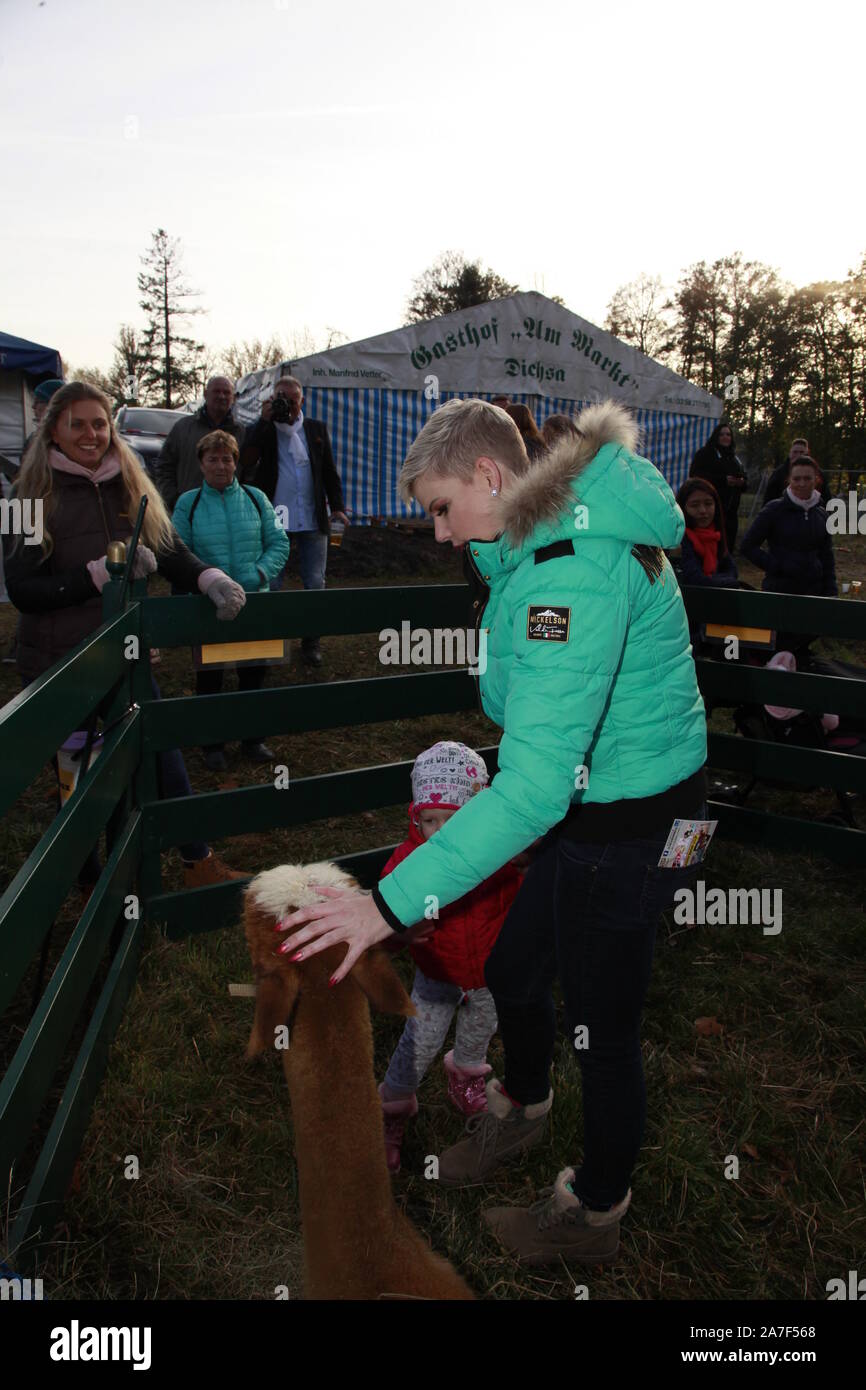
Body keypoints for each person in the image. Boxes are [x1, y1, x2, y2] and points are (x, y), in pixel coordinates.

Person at [272, 397, 709, 1268]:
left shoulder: (566, 573)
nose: (437, 534)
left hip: (630, 818)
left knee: (603, 1024)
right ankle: (523, 1108)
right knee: (515, 966)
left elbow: (535, 785)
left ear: (489, 476)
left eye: (440, 508)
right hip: (609, 798)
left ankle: (592, 1213)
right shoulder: (535, 544)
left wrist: (387, 906)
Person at [5, 381, 249, 891]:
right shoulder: (27, 496)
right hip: (60, 667)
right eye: (78, 424)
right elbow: (22, 588)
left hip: (124, 656)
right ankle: (89, 874)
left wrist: (209, 578)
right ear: (54, 430)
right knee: (78, 774)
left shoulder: (129, 482)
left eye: (99, 423)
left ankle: (195, 858)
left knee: (161, 752)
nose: (91, 434)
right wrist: (98, 574)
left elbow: (170, 547)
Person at [377, 741, 523, 1173]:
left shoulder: (499, 858)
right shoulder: (407, 863)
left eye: (452, 821)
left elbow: (521, 902)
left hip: (487, 975)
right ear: (415, 818)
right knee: (418, 1043)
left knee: (481, 1028)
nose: (438, 833)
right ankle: (393, 1107)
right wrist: (401, 930)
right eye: (429, 821)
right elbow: (382, 923)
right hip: (437, 978)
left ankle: (465, 1073)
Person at [171, 429, 290, 772]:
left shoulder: (256, 499)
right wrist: (211, 583)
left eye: (227, 458)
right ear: (201, 463)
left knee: (254, 674)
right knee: (210, 679)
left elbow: (279, 543)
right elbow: (179, 551)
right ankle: (213, 745)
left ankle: (253, 739)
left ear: (236, 463)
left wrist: (258, 575)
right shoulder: (187, 503)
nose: (221, 465)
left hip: (255, 602)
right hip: (209, 608)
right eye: (213, 458)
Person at [238, 375, 348, 668]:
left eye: (292, 398)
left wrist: (337, 506)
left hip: (312, 516)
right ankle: (270, 640)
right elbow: (246, 461)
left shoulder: (315, 429)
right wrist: (263, 421)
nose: (286, 403)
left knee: (315, 582)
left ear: (302, 401)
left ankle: (311, 642)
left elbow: (328, 471)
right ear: (272, 399)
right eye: (280, 397)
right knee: (271, 583)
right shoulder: (264, 429)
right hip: (275, 518)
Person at [740, 457, 836, 657]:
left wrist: (830, 590)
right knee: (778, 648)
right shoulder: (774, 510)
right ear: (789, 480)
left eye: (807, 479)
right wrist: (777, 566)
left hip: (812, 593)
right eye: (797, 479)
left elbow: (827, 555)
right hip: (781, 591)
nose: (802, 483)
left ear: (816, 480)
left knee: (803, 646)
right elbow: (748, 546)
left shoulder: (821, 514)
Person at [155, 376, 245, 512]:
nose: (221, 396)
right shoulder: (182, 428)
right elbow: (164, 466)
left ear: (233, 398)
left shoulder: (241, 432)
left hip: (229, 512)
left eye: (226, 392)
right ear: (205, 394)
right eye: (216, 391)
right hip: (188, 512)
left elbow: (248, 471)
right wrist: (174, 499)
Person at [689, 420, 747, 550]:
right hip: (711, 511)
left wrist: (740, 482)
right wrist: (723, 480)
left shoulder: (734, 458)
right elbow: (695, 474)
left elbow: (744, 479)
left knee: (728, 547)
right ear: (716, 436)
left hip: (730, 512)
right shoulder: (705, 454)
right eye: (722, 434)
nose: (725, 437)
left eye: (728, 434)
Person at [673, 479, 739, 587]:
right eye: (694, 505)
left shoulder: (715, 535)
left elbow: (732, 571)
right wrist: (727, 581)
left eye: (708, 504)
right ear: (682, 508)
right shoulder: (679, 539)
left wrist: (718, 580)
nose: (703, 510)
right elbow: (696, 580)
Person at [765, 438, 830, 505]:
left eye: (801, 452)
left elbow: (826, 498)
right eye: (795, 452)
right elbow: (769, 498)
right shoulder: (779, 473)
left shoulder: (818, 474)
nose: (798, 455)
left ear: (807, 454)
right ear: (790, 453)